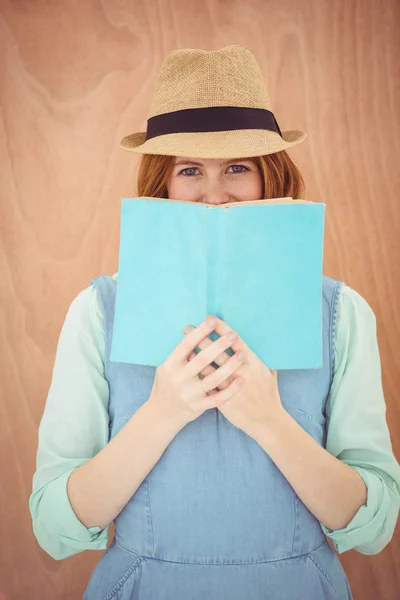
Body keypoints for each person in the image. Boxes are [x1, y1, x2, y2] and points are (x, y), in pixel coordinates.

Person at [29, 45, 400, 600]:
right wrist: (162, 412)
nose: (214, 195)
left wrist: (270, 420)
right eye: (189, 171)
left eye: (236, 167)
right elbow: (55, 529)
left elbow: (374, 528)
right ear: (162, 184)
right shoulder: (96, 312)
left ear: (270, 176)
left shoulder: (342, 314)